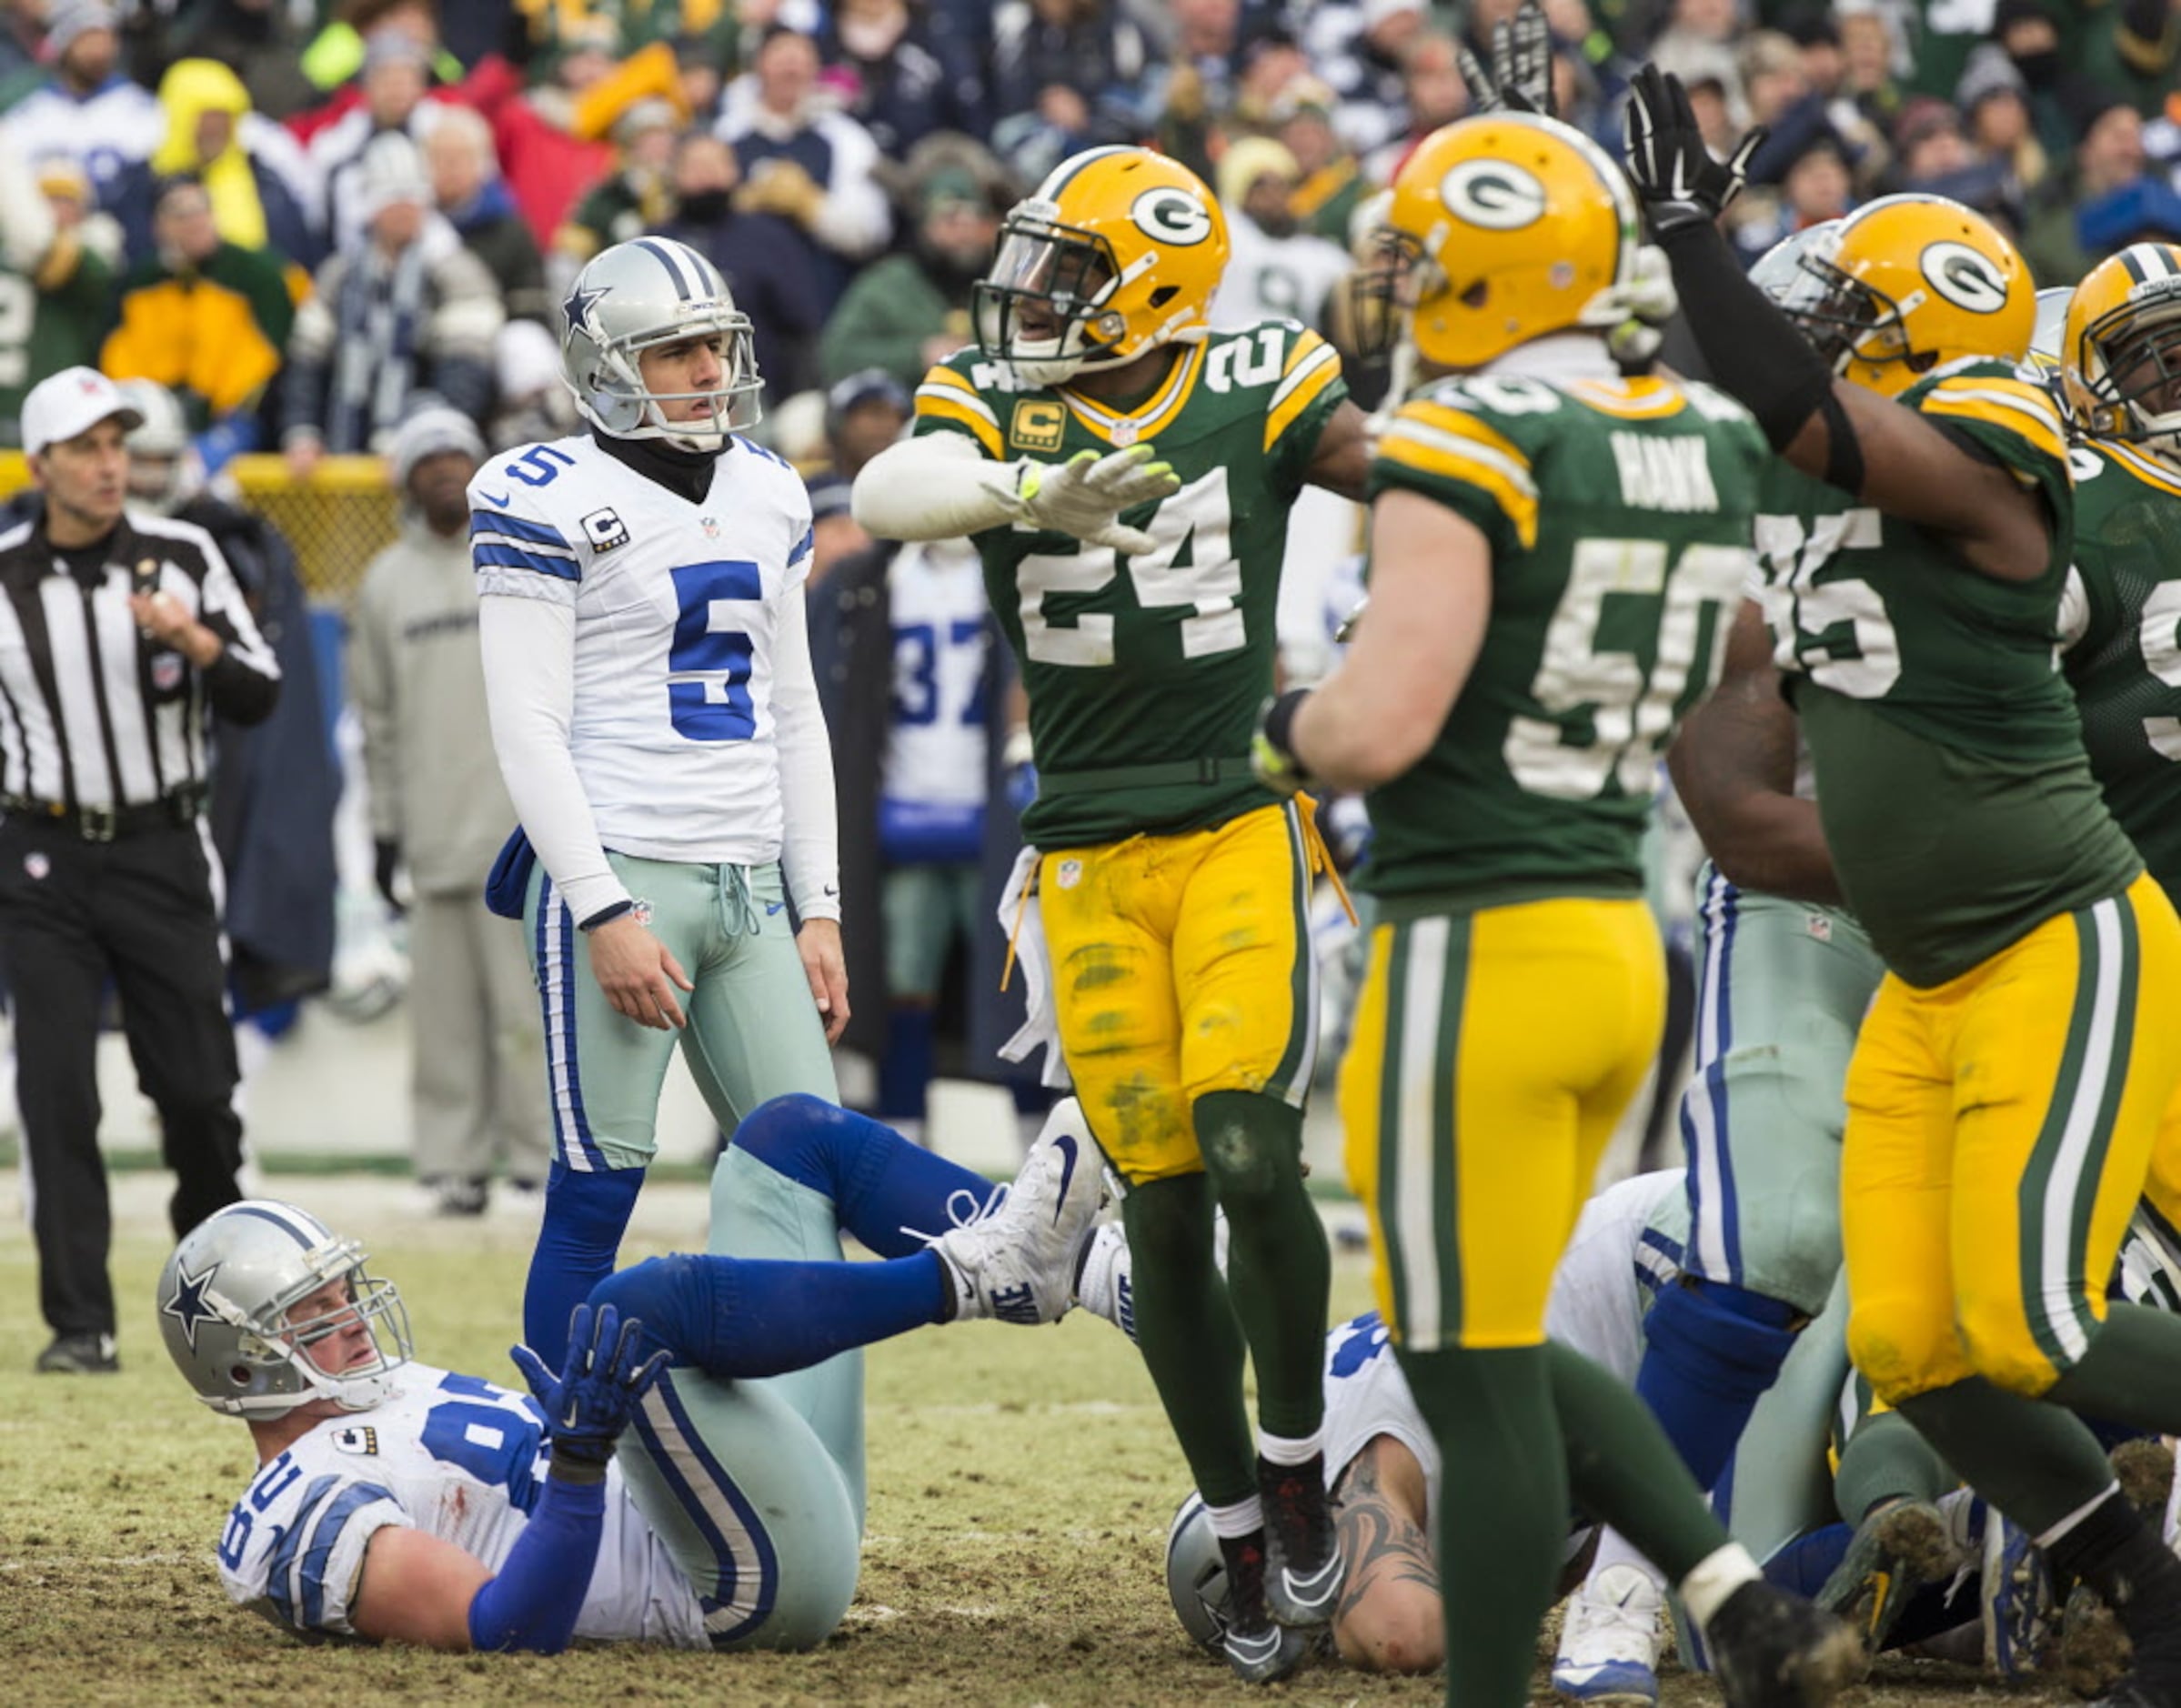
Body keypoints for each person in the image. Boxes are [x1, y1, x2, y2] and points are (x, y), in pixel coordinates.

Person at [1249, 107, 1857, 1708]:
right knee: (1497, 1342)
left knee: (1462, 1364)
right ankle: (1725, 1584)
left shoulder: (1467, 443)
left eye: (1427, 257)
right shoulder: (1699, 436)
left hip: (1474, 943)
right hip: (1611, 933)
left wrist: (1271, 724)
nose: (1400, 284)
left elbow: (1378, 724)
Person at [1623, 63, 2181, 1708]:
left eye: (1847, 313)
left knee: (2023, 1322)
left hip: (2053, 943)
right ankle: (2142, 1600)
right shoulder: (1810, 496)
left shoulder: (1998, 446)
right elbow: (1729, 786)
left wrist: (1688, 238)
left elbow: (1794, 407)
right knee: (1924, 1352)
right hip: (1929, 975)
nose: (1813, 332)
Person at [854, 142, 1374, 1683]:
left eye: (1067, 268)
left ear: (1149, 278)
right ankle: (1231, 1524)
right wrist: (1025, 485)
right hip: (1079, 845)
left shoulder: (1259, 370)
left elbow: (1391, 462)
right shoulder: (1000, 400)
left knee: (1242, 1139)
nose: (1033, 294)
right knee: (1152, 1187)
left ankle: (1290, 1462)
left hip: (1231, 815)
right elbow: (888, 488)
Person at [156, 1094, 1106, 1651]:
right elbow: (505, 1627)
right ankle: (973, 1273)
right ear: (244, 1364)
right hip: (735, 1581)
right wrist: (575, 1467)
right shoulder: (296, 1505)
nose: (355, 1323)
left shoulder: (382, 1394)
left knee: (784, 1141)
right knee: (631, 1312)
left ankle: (1095, 1268)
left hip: (754, 1490)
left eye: (345, 1295)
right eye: (315, 1318)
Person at [476, 236, 849, 1372]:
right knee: (599, 1195)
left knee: (808, 1177)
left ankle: (785, 1455)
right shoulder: (542, 494)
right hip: (629, 868)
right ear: (603, 368)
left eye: (712, 345)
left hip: (746, 886)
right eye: (674, 351)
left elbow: (794, 708)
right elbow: (526, 726)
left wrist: (817, 901)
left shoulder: (770, 485)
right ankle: (557, 1469)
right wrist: (600, 908)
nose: (704, 370)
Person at [0, 366, 281, 1375]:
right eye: (86, 448)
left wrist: (194, 639)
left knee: (198, 1089)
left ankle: (220, 1300)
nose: (110, 463)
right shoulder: (4, 579)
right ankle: (81, 1325)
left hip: (164, 848)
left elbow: (261, 691)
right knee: (56, 1093)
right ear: (41, 466)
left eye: (118, 443)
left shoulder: (184, 551)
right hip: (41, 857)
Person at [351, 405, 550, 1218]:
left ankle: (541, 1163)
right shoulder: (383, 584)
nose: (443, 471)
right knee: (444, 1026)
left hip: (527, 833)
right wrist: (385, 828)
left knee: (530, 1014)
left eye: (456, 456)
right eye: (426, 459)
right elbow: (376, 720)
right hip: (433, 833)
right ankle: (451, 1165)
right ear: (405, 478)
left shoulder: (522, 560)